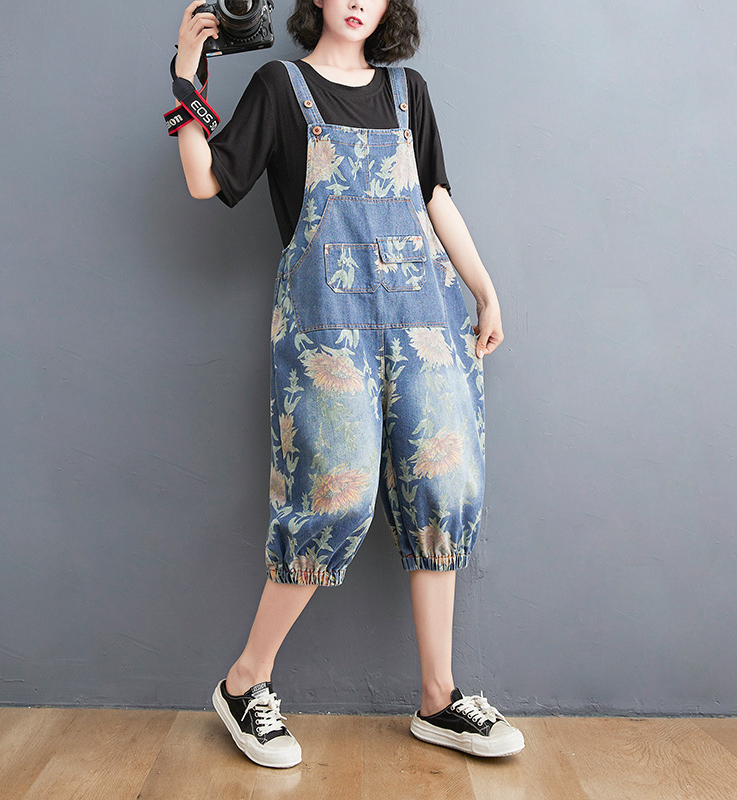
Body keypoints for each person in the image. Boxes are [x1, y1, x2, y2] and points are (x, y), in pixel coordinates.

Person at [171, 0, 525, 769]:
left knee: (444, 487)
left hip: (425, 322)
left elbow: (434, 197)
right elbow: (205, 181)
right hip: (328, 332)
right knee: (332, 496)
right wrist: (186, 76)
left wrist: (485, 288)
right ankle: (244, 681)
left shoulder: (408, 92)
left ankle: (438, 697)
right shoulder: (280, 86)